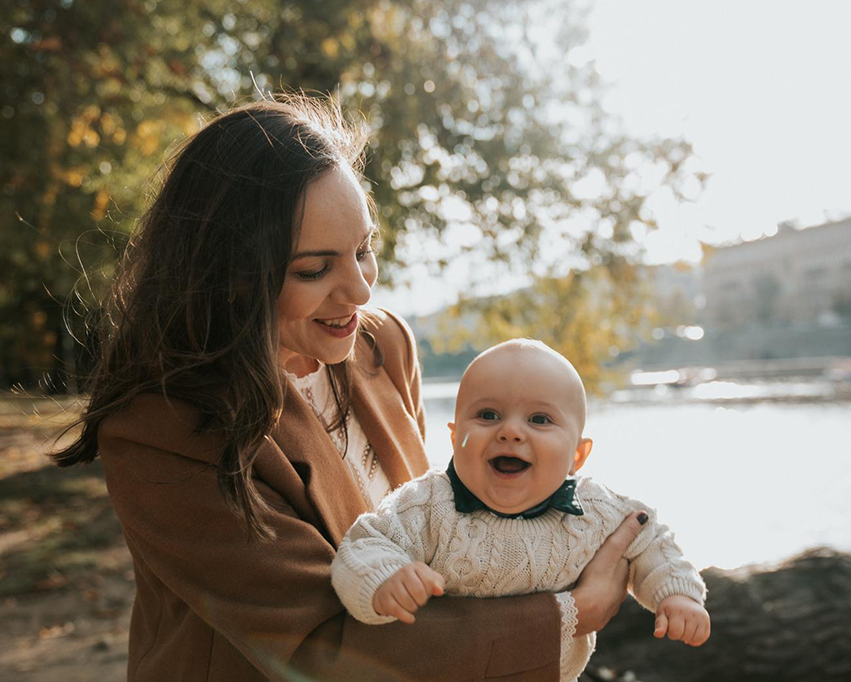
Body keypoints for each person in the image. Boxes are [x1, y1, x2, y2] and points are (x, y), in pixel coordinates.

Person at [51, 96, 646, 682]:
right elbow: (320, 649)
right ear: (228, 274)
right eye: (314, 269)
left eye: (364, 251)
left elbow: (435, 528)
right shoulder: (160, 427)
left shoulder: (382, 345)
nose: (360, 292)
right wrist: (571, 613)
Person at [333, 339, 710, 681]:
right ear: (454, 437)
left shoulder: (594, 509)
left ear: (577, 455)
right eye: (488, 416)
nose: (510, 432)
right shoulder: (428, 505)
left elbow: (649, 538)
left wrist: (676, 594)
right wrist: (382, 579)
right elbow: (365, 544)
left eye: (539, 420)